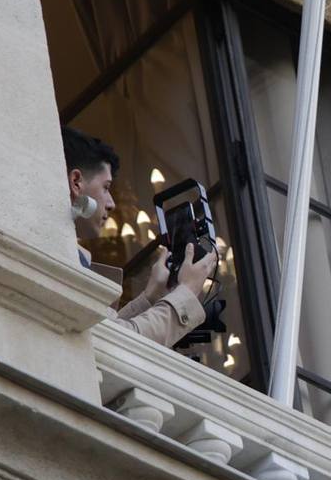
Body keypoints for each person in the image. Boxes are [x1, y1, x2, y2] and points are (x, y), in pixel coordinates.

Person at [63, 127, 216, 348]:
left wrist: (150, 298)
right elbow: (114, 344)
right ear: (76, 182)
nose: (112, 203)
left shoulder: (65, 250)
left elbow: (104, 332)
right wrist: (187, 291)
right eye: (106, 187)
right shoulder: (68, 257)